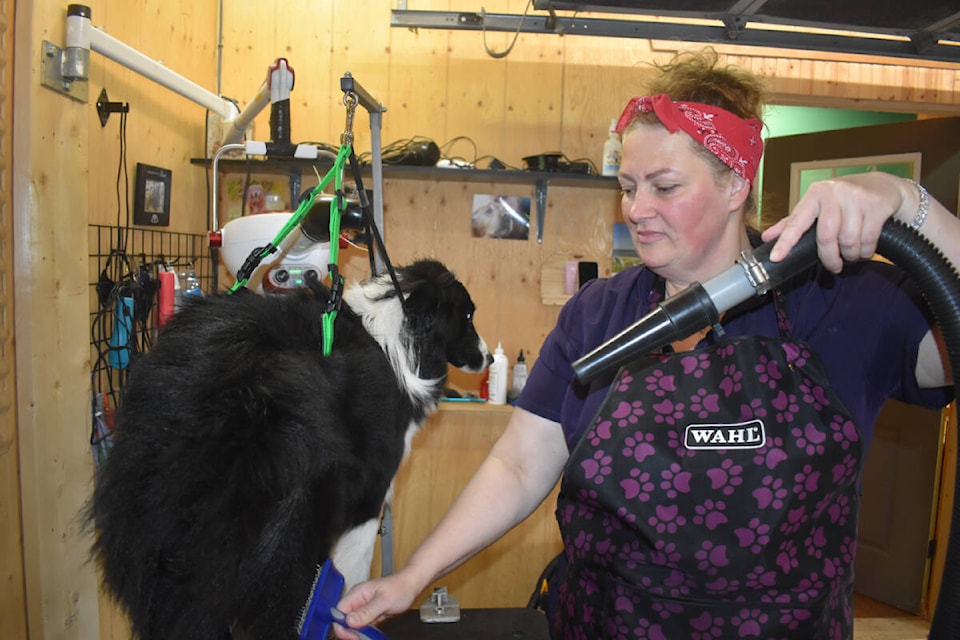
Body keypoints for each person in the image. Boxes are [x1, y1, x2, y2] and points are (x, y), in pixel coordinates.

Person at [335, 50, 960, 638]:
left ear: (736, 185)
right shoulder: (600, 313)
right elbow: (519, 465)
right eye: (628, 185)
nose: (636, 209)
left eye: (663, 186)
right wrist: (414, 576)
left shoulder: (842, 301)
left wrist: (910, 201)